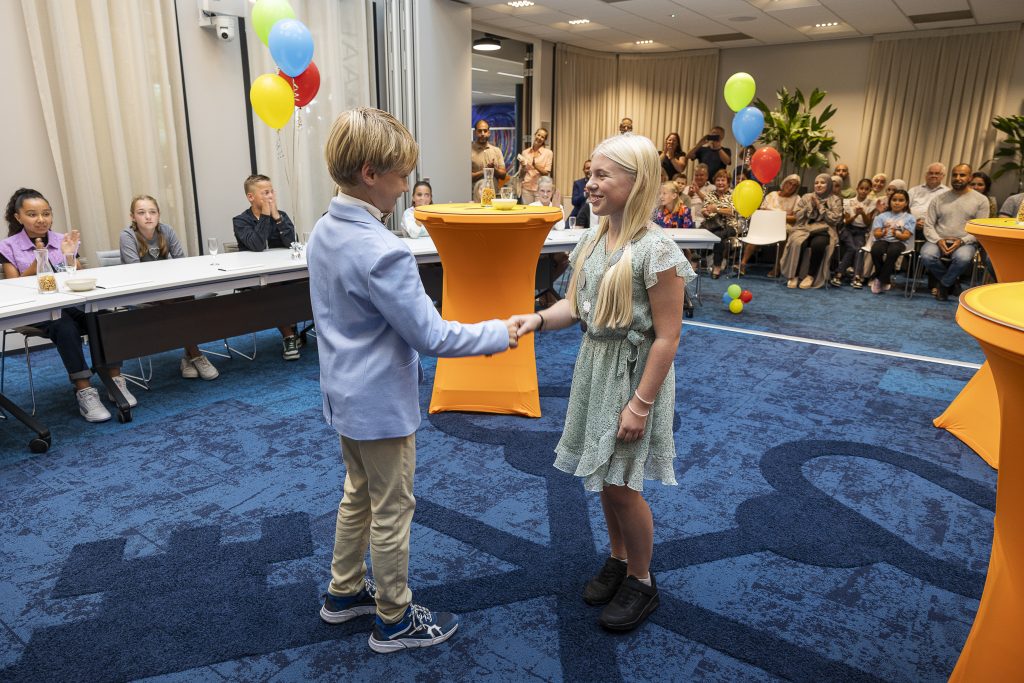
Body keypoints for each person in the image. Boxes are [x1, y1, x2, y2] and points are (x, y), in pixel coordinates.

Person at [310, 107, 518, 653]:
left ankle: (343, 592)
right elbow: (434, 337)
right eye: (402, 175)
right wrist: (503, 332)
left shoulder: (324, 228)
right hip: (378, 403)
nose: (408, 187)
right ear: (370, 173)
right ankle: (394, 620)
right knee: (392, 508)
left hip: (343, 396)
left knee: (357, 494)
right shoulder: (383, 250)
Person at [510, 133, 694, 632]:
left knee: (622, 484)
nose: (588, 184)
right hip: (595, 369)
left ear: (636, 184)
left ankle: (642, 581)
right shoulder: (594, 237)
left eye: (601, 176)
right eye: (590, 174)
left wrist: (639, 405)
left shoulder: (657, 251)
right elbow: (574, 306)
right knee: (604, 479)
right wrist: (537, 321)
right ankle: (618, 558)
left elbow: (667, 339)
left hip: (633, 378)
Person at [0, 188, 136, 422]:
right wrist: (40, 258)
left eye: (46, 213)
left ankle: (115, 379)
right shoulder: (8, 246)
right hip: (35, 308)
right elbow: (13, 287)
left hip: (70, 302)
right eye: (32, 214)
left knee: (103, 318)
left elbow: (77, 277)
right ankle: (84, 390)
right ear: (18, 217)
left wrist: (69, 256)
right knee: (64, 326)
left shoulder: (63, 240)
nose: (41, 219)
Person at [119, 195, 219, 380]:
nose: (148, 216)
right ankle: (195, 354)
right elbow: (135, 270)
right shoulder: (127, 236)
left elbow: (181, 261)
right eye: (141, 213)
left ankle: (188, 359)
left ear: (158, 214)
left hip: (168, 290)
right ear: (133, 216)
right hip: (142, 295)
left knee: (184, 299)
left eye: (152, 212)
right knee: (180, 305)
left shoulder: (166, 231)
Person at [232, 174, 301, 360]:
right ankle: (288, 335)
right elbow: (256, 245)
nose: (270, 197)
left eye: (271, 192)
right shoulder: (240, 221)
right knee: (274, 289)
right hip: (256, 278)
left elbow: (292, 243)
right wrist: (265, 215)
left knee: (305, 281)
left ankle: (293, 324)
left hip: (283, 273)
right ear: (251, 197)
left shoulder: (281, 215)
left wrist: (277, 216)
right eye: (265, 193)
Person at [920, 163, 989, 301]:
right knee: (927, 255)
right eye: (955, 175)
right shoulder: (939, 199)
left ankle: (944, 285)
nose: (958, 178)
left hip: (965, 242)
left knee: (963, 258)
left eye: (962, 175)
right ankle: (953, 283)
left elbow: (980, 230)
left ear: (969, 178)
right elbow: (928, 225)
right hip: (938, 239)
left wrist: (962, 241)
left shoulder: (981, 200)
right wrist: (938, 240)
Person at [780, 173, 842, 289]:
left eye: (822, 183)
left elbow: (835, 219)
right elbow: (797, 215)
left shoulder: (835, 200)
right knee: (797, 242)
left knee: (818, 244)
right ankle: (794, 275)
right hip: (805, 227)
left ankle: (810, 276)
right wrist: (808, 207)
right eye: (816, 183)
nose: (819, 185)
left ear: (828, 185)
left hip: (825, 229)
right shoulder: (807, 197)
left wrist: (819, 207)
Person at [740, 173, 800, 276]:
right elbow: (762, 211)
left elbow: (795, 218)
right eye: (789, 183)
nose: (791, 187)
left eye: (794, 185)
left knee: (784, 235)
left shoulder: (797, 198)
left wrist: (773, 213)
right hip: (766, 223)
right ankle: (742, 264)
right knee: (755, 231)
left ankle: (777, 267)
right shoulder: (772, 195)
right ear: (784, 183)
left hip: (783, 227)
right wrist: (784, 214)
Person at [867, 189, 915, 295]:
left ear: (906, 203)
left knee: (892, 252)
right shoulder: (882, 216)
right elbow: (876, 234)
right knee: (876, 250)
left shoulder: (910, 218)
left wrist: (897, 234)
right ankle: (885, 279)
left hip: (899, 242)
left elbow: (906, 236)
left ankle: (879, 280)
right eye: (894, 200)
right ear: (890, 201)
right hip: (883, 240)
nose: (897, 202)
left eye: (901, 200)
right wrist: (884, 232)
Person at [830, 178, 875, 287]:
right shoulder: (848, 201)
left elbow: (868, 223)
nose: (863, 191)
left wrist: (863, 213)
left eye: (867, 189)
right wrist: (855, 214)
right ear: (857, 189)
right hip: (847, 229)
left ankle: (855, 276)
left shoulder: (871, 204)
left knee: (859, 250)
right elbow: (846, 222)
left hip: (861, 231)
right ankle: (839, 274)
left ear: (870, 191)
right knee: (852, 248)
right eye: (861, 188)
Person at [701, 169, 738, 279]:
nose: (720, 183)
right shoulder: (710, 195)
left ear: (728, 182)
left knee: (719, 236)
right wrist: (705, 212)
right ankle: (695, 260)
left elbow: (732, 211)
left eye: (723, 180)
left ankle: (717, 266)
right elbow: (706, 210)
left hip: (729, 225)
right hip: (712, 224)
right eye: (718, 180)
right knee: (699, 232)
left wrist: (716, 209)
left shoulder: (733, 195)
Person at [470, 119, 507, 197]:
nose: (483, 134)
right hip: (474, 196)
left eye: (485, 131)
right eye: (479, 131)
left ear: (489, 133)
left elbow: (503, 175)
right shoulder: (468, 151)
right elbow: (466, 177)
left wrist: (494, 169)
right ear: (475, 132)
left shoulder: (496, 151)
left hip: (494, 196)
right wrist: (485, 171)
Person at [908, 163, 949, 230]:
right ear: (926, 175)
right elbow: (904, 210)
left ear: (943, 176)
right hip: (911, 227)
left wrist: (928, 223)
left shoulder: (947, 193)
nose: (933, 175)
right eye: (931, 173)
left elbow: (947, 215)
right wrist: (913, 222)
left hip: (935, 229)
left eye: (937, 173)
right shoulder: (913, 190)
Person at [518, 127, 553, 205]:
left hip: (540, 189)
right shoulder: (525, 152)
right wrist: (523, 167)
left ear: (544, 140)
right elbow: (521, 174)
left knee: (539, 212)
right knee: (528, 213)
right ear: (535, 135)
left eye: (542, 137)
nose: (539, 138)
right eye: (538, 135)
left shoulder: (548, 153)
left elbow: (546, 173)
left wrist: (535, 165)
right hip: (526, 188)